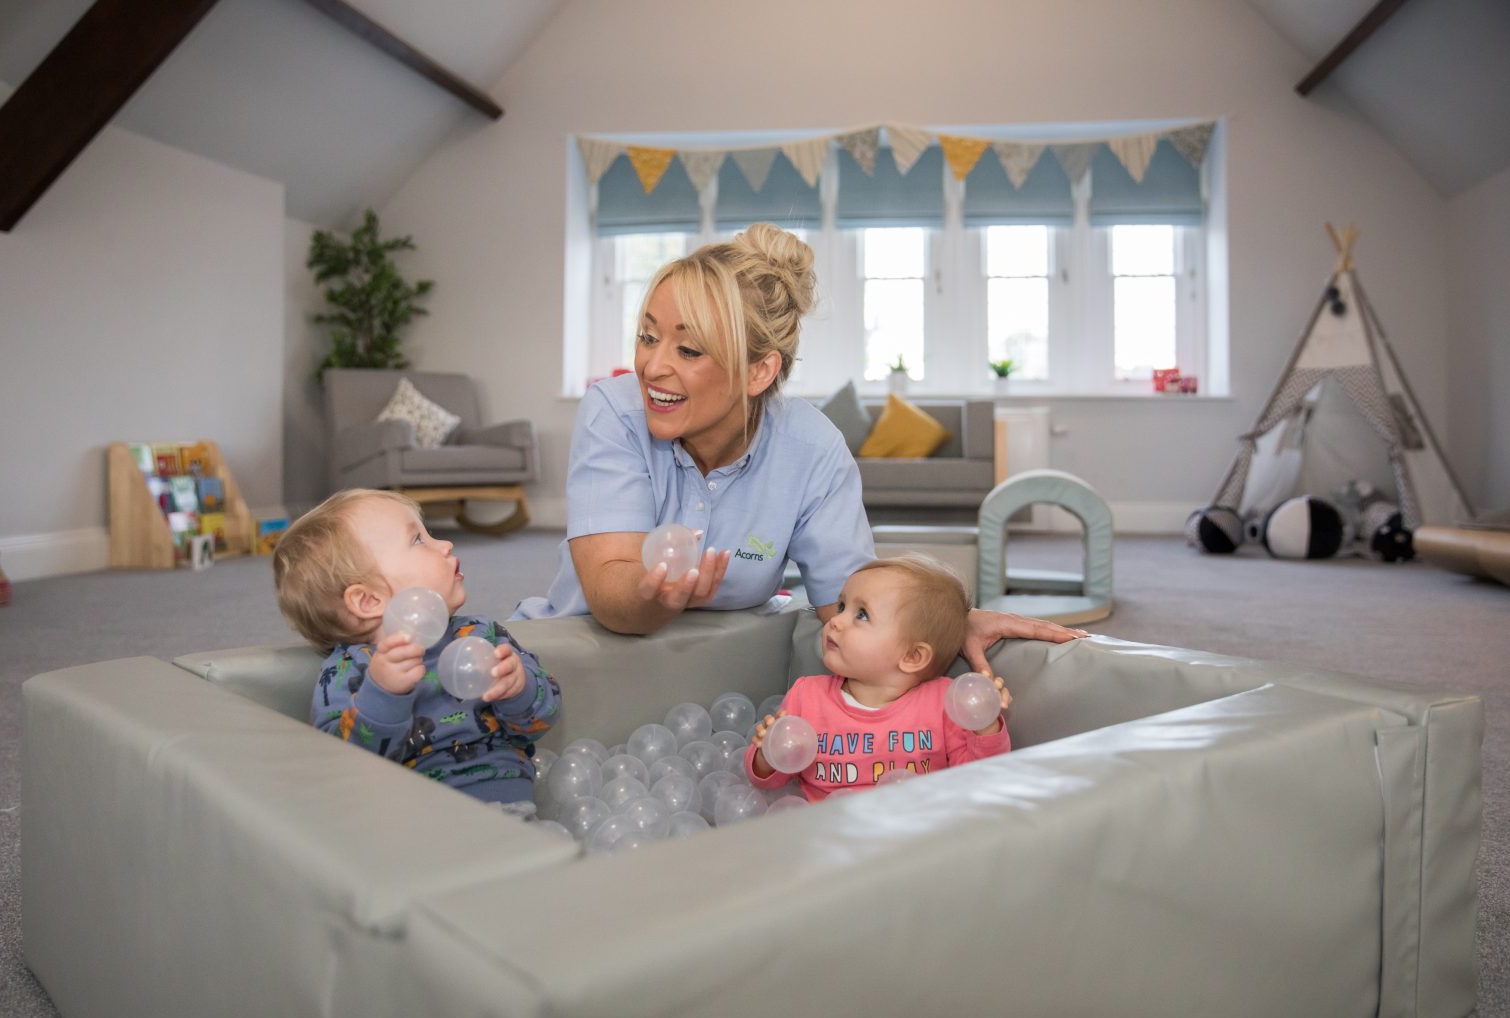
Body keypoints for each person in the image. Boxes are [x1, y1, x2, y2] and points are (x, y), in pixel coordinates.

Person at [515, 221, 1081, 676]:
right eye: (647, 335)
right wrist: (653, 596)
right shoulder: (613, 412)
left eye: (687, 349)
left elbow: (850, 601)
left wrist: (950, 625)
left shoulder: (812, 448)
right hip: (572, 666)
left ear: (760, 371)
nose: (652, 366)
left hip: (715, 681)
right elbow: (610, 588)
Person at [274, 489, 560, 810]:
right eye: (418, 540)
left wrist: (518, 688)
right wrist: (383, 693)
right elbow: (343, 771)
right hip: (412, 821)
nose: (445, 544)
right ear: (369, 600)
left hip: (508, 807)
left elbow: (539, 723)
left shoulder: (480, 636)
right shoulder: (347, 673)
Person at [745, 555, 1009, 801]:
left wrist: (985, 723)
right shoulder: (807, 696)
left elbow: (976, 776)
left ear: (913, 656)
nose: (835, 621)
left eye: (861, 614)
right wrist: (768, 754)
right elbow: (768, 782)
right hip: (827, 833)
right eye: (841, 606)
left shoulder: (944, 701)